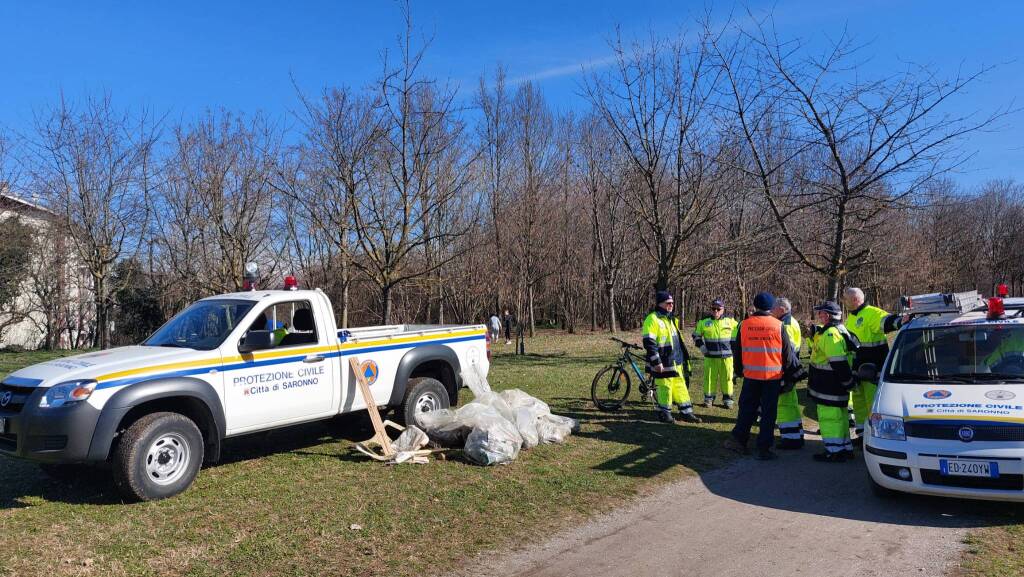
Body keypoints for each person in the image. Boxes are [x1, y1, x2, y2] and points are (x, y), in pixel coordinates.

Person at [724, 292, 801, 460]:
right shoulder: (778, 325)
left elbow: (738, 351)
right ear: (771, 307)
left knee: (746, 409)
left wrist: (738, 371)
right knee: (768, 413)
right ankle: (763, 448)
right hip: (772, 376)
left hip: (751, 375)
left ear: (756, 306)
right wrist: (789, 375)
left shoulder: (744, 325)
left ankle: (739, 440)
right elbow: (787, 354)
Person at [842, 287, 905, 444]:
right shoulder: (851, 317)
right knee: (859, 403)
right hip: (858, 369)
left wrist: (901, 321)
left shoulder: (872, 313)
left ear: (855, 300)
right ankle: (863, 434)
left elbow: (888, 321)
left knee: (872, 403)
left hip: (873, 369)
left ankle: (874, 437)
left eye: (846, 299)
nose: (844, 302)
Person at [807, 301, 858, 462]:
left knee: (829, 418)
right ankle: (844, 448)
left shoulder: (830, 334)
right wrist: (848, 382)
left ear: (827, 315)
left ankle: (834, 451)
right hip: (834, 385)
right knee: (840, 417)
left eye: (821, 313)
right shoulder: (840, 330)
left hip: (828, 385)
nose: (819, 316)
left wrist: (847, 382)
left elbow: (838, 362)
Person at [642, 290, 701, 424]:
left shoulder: (671, 319)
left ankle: (686, 412)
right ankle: (664, 413)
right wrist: (656, 362)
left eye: (672, 303)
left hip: (676, 361)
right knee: (664, 388)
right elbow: (649, 343)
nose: (671, 305)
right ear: (660, 303)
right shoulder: (652, 319)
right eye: (668, 303)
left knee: (680, 386)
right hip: (663, 362)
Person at [692, 299, 738, 409]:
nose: (716, 311)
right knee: (709, 378)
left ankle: (728, 399)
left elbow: (740, 333)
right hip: (710, 357)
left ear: (723, 309)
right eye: (713, 308)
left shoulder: (730, 322)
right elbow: (696, 335)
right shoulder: (704, 322)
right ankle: (708, 399)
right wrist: (702, 347)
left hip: (727, 358)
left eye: (718, 309)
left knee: (727, 378)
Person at [772, 297, 805, 449]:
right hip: (790, 370)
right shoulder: (790, 321)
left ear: (782, 309)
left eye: (774, 308)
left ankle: (789, 439)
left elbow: (787, 351)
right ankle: (796, 434)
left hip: (786, 371)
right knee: (791, 404)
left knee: (784, 405)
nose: (772, 311)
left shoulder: (786, 324)